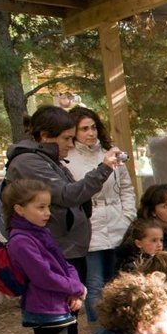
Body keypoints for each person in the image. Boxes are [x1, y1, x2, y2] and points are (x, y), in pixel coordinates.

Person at [4, 105, 125, 282]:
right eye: (67, 138)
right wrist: (104, 168)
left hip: (66, 248)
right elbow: (67, 195)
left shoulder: (47, 159)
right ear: (45, 136)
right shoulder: (28, 162)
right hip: (53, 249)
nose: (70, 144)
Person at [2, 179, 85, 334]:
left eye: (48, 207)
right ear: (19, 209)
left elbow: (64, 264)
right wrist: (76, 288)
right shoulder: (21, 241)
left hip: (60, 303)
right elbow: (44, 277)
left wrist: (75, 289)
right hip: (45, 308)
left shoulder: (41, 233)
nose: (47, 213)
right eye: (41, 208)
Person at [66, 107, 136, 322]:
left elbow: (126, 188)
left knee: (118, 280)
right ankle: (99, 328)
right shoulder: (67, 158)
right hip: (89, 226)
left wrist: (128, 216)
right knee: (94, 282)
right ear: (74, 131)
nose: (91, 133)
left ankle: (121, 325)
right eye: (84, 129)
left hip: (118, 222)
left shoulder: (110, 152)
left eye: (93, 127)